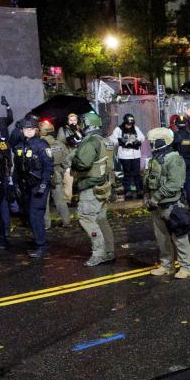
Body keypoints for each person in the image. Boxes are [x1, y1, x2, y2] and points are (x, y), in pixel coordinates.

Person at [144, 127, 190, 279]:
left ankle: (185, 267)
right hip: (157, 205)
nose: (151, 145)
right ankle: (167, 266)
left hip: (171, 205)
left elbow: (174, 184)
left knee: (180, 237)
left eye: (153, 142)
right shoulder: (156, 158)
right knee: (162, 238)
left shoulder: (174, 158)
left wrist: (156, 197)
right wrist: (148, 198)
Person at [71, 112, 115, 267]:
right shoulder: (105, 140)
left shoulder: (90, 141)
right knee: (101, 219)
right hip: (104, 185)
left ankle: (98, 253)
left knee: (87, 218)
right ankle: (109, 251)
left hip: (91, 186)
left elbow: (82, 163)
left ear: (86, 124)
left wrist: (74, 154)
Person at [14, 117, 53, 258]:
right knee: (29, 215)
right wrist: (16, 184)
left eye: (31, 129)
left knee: (35, 215)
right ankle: (39, 240)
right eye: (26, 129)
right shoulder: (20, 146)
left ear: (36, 130)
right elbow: (17, 169)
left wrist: (43, 185)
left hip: (38, 185)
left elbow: (48, 167)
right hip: (26, 186)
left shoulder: (42, 145)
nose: (28, 131)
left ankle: (41, 245)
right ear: (22, 130)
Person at [39, 119, 71, 229]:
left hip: (43, 176)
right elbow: (67, 161)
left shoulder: (39, 145)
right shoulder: (60, 144)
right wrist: (60, 170)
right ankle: (66, 221)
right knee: (60, 200)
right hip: (57, 175)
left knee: (44, 202)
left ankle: (46, 225)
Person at [108, 113, 145, 200]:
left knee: (137, 173)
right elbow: (112, 139)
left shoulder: (136, 128)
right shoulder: (118, 129)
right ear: (124, 122)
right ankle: (127, 191)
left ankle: (139, 190)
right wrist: (120, 141)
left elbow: (142, 137)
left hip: (136, 155)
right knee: (127, 174)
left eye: (131, 124)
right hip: (124, 155)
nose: (129, 125)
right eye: (128, 124)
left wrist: (137, 141)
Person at [173, 116, 190, 212]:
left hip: (178, 163)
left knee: (177, 184)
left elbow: (172, 149)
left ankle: (179, 208)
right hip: (189, 162)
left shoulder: (175, 136)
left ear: (177, 125)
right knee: (189, 184)